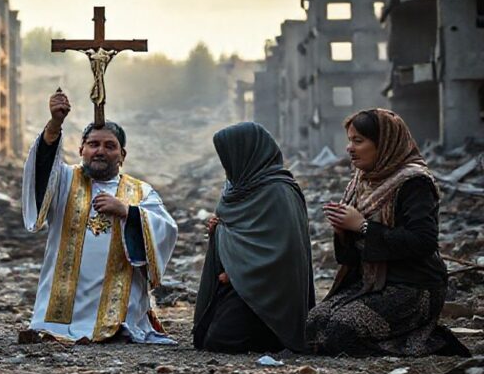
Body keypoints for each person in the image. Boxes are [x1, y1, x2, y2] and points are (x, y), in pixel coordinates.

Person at [307, 108, 470, 357]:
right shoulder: (361, 181)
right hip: (372, 283)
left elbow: (423, 242)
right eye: (349, 140)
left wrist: (362, 227)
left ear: (384, 144)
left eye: (358, 141)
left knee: (342, 332)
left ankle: (433, 342)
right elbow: (351, 258)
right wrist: (343, 232)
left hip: (412, 285)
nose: (349, 148)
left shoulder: (414, 182)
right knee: (314, 324)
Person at [21, 90, 178, 343]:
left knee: (119, 326)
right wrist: (55, 125)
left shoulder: (140, 191)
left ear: (122, 155)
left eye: (110, 146)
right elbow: (41, 167)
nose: (100, 151)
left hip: (117, 299)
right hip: (63, 301)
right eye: (93, 144)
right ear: (81, 149)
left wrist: (128, 212)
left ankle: (117, 325)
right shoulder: (63, 180)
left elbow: (167, 229)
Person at [192, 122, 315, 353]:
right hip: (237, 282)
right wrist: (218, 231)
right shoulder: (237, 186)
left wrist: (237, 271)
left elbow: (284, 252)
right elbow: (242, 231)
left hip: (268, 287)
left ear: (246, 153)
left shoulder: (279, 192)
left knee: (221, 341)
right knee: (208, 338)